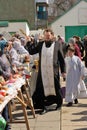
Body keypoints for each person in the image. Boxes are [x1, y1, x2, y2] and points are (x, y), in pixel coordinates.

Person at [26, 28, 66, 114]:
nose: (47, 37)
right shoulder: (41, 44)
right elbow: (31, 51)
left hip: (53, 71)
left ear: (52, 35)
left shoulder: (57, 44)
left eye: (48, 36)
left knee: (56, 88)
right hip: (43, 72)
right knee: (41, 89)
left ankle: (59, 104)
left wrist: (63, 71)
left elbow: (61, 59)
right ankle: (43, 107)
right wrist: (29, 42)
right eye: (45, 36)